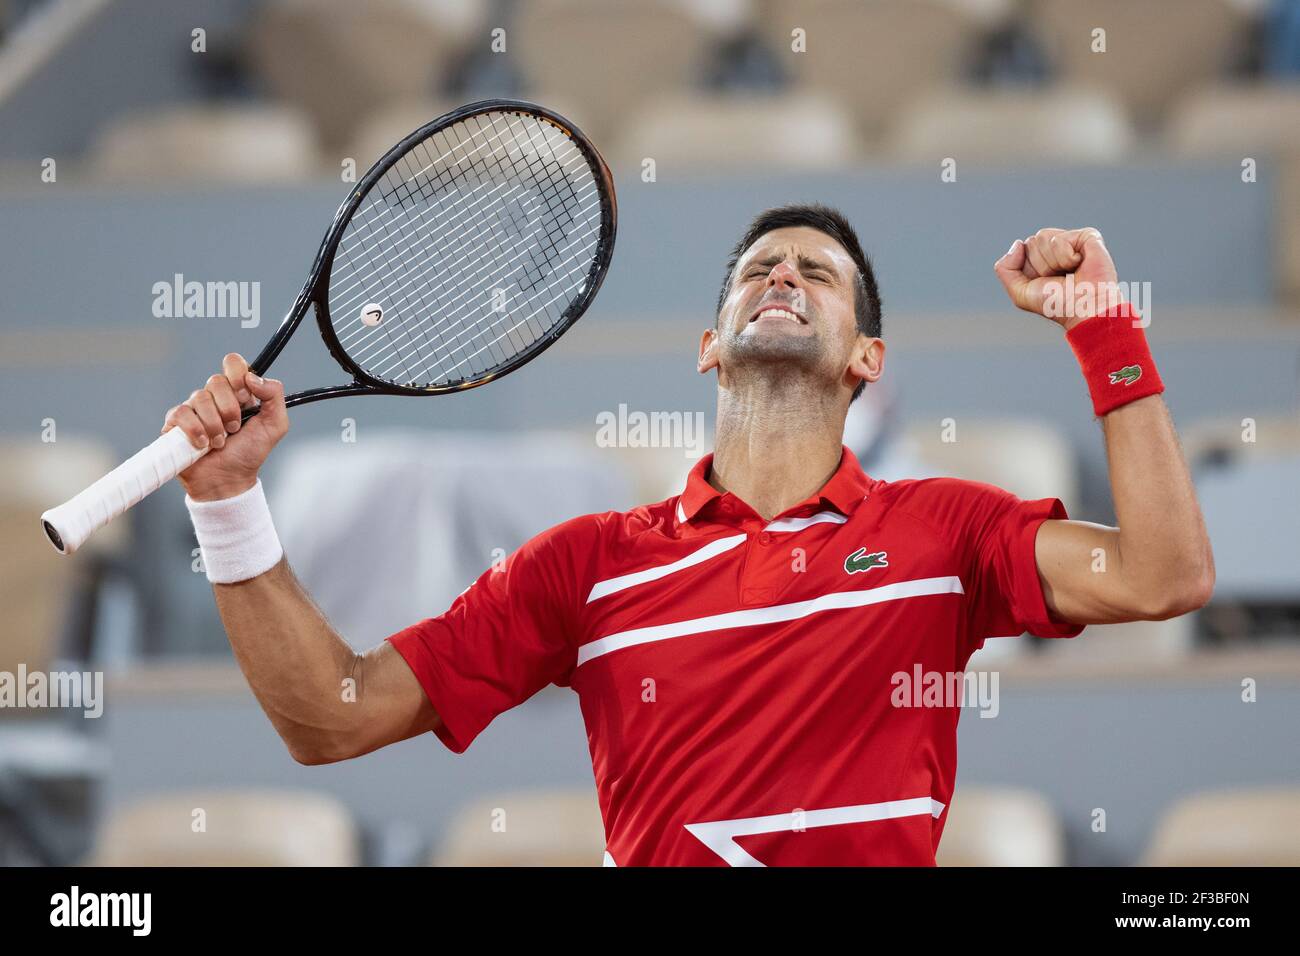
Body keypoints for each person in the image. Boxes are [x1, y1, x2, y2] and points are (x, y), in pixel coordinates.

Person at [167, 204, 1213, 866]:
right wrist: (224, 500)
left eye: (819, 273)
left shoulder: (945, 529)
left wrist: (1102, 329)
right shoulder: (584, 564)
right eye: (760, 268)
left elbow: (1164, 574)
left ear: (866, 359)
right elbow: (330, 718)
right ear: (709, 346)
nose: (784, 278)